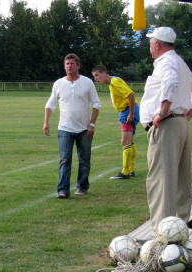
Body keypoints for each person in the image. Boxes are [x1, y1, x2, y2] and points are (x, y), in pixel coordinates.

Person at [140, 27, 192, 230]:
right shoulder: (179, 62)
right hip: (180, 124)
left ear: (157, 44)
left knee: (162, 182)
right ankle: (179, 228)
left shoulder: (166, 62)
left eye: (151, 42)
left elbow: (170, 82)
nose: (150, 46)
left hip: (167, 125)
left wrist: (163, 111)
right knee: (180, 182)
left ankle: (162, 233)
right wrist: (187, 114)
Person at [43, 53, 101, 198]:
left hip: (84, 129)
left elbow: (96, 104)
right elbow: (50, 104)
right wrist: (46, 122)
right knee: (65, 159)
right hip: (65, 129)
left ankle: (82, 186)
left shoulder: (87, 82)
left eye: (72, 64)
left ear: (78, 65)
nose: (69, 66)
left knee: (84, 160)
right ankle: (63, 190)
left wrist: (92, 124)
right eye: (67, 64)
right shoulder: (58, 84)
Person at [91, 65, 140, 180]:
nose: (96, 78)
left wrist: (130, 113)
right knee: (130, 141)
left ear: (104, 73)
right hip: (129, 110)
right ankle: (130, 169)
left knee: (125, 141)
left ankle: (125, 172)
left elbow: (131, 94)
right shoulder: (114, 80)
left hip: (127, 110)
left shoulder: (114, 82)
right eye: (94, 76)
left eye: (97, 75)